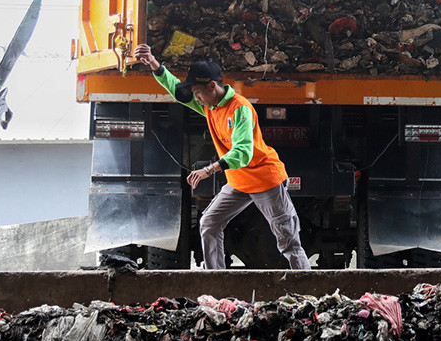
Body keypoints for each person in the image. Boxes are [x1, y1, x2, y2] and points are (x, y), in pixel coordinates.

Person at [132, 44, 311, 270]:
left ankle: (307, 291)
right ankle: (216, 282)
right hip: (239, 182)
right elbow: (178, 92)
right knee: (209, 223)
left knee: (287, 239)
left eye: (198, 93)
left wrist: (209, 169)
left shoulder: (240, 109)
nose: (196, 98)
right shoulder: (209, 105)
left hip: (265, 179)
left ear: (212, 86)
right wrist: (154, 64)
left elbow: (243, 153)